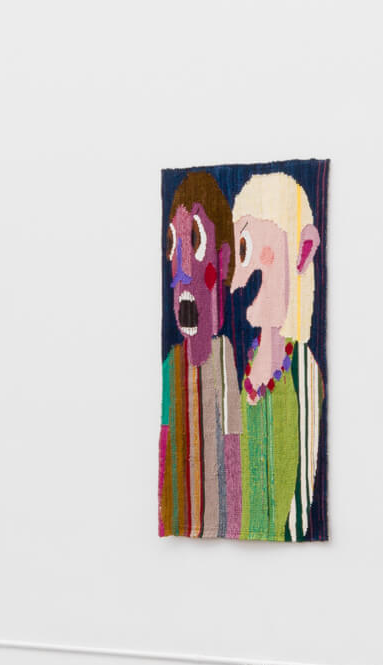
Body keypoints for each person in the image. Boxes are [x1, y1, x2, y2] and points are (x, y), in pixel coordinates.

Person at [231, 173, 324, 542]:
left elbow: (304, 488)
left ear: (301, 253)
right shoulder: (243, 363)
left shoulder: (303, 371)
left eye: (250, 248)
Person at [160, 170, 243, 538]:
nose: (181, 272)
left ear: (222, 260)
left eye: (193, 240)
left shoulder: (226, 361)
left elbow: (233, 447)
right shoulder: (171, 367)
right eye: (173, 244)